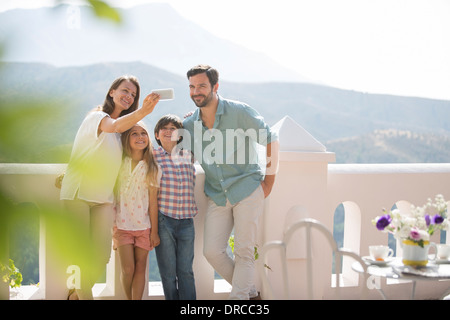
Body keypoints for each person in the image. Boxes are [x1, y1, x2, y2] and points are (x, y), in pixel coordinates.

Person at [182, 65, 279, 300]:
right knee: (212, 252)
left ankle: (239, 301)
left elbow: (271, 140)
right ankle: (250, 292)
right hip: (217, 193)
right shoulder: (189, 126)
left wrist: (268, 183)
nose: (196, 91)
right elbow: (180, 155)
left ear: (215, 87)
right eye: (192, 87)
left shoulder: (240, 112)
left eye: (202, 86)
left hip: (247, 188)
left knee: (244, 252)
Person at [60, 75, 160, 300]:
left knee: (102, 256)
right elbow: (113, 126)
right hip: (79, 193)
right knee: (81, 255)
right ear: (112, 92)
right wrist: (144, 111)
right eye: (125, 91)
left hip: (103, 199)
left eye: (133, 95)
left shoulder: (122, 135)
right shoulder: (98, 117)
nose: (129, 96)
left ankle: (76, 294)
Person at [113, 122, 161, 300]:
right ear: (127, 139)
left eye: (143, 133)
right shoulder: (119, 163)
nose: (140, 137)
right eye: (134, 134)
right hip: (122, 225)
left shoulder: (152, 167)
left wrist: (154, 232)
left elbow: (153, 203)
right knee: (127, 269)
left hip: (143, 226)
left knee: (140, 268)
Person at [153, 114, 198, 300]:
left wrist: (192, 117)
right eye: (164, 128)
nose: (169, 131)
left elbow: (205, 135)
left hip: (187, 221)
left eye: (174, 129)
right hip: (164, 220)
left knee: (186, 271)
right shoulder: (152, 156)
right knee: (168, 273)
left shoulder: (188, 155)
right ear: (157, 134)